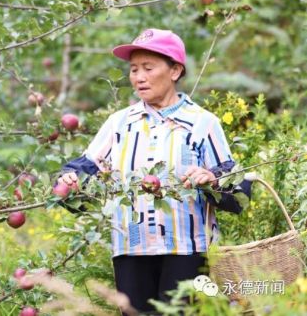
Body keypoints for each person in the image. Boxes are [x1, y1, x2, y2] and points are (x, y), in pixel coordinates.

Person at [57, 28, 251, 314]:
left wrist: (212, 180)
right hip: (131, 249)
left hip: (188, 250)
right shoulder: (119, 123)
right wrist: (69, 180)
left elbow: (237, 191)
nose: (139, 77)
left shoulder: (202, 123)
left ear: (174, 71)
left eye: (148, 68)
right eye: (134, 69)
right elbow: (85, 167)